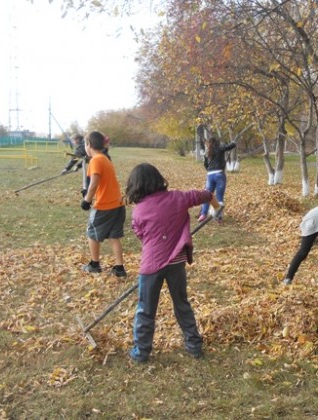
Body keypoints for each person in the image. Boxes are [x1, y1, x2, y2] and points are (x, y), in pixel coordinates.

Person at [125, 163, 222, 363]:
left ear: (136, 186)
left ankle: (141, 352)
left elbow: (141, 236)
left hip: (151, 266)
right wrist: (216, 207)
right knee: (181, 304)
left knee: (146, 309)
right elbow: (205, 194)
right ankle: (194, 345)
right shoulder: (179, 198)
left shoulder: (139, 211)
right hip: (176, 262)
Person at [80, 131, 127, 278]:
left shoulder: (95, 160)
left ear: (89, 145)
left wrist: (87, 200)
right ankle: (119, 268)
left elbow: (94, 183)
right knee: (114, 237)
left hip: (104, 205)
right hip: (118, 204)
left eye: (85, 144)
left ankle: (94, 264)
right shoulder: (105, 159)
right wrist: (87, 190)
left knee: (92, 233)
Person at [197, 136, 237, 223]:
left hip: (210, 175)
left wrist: (210, 170)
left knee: (207, 196)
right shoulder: (220, 147)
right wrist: (234, 143)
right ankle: (218, 217)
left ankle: (203, 214)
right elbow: (228, 146)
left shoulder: (207, 152)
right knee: (219, 198)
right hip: (219, 174)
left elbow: (205, 165)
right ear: (217, 142)